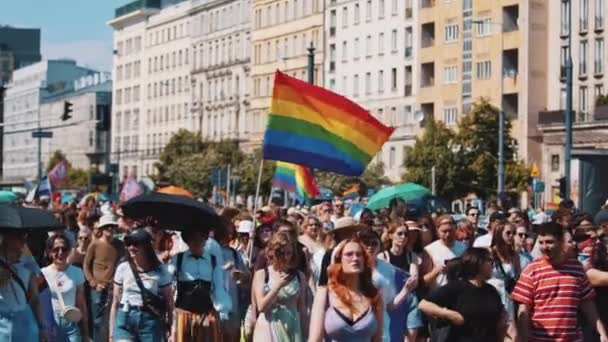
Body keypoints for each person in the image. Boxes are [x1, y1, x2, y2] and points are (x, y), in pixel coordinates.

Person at [511, 222, 608, 342]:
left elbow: (587, 303)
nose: (544, 247)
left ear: (561, 242)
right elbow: (523, 310)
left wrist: (601, 332)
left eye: (549, 242)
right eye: (541, 242)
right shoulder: (531, 270)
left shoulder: (576, 269)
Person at [418, 248, 506, 342]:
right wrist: (450, 314)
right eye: (490, 261)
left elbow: (499, 324)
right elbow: (423, 304)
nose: (493, 265)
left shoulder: (491, 291)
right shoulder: (456, 287)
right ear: (478, 262)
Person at [309, 238, 383, 342]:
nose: (355, 258)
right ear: (339, 260)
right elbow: (315, 339)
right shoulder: (325, 293)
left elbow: (378, 339)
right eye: (349, 254)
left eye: (359, 254)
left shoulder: (374, 294)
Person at [109, 229, 174, 342]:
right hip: (125, 316)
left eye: (136, 244)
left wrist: (172, 329)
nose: (131, 247)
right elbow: (115, 301)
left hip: (149, 320)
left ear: (146, 247)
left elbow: (169, 302)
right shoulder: (123, 268)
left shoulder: (160, 271)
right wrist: (111, 333)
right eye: (129, 244)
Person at [168, 229, 232, 341]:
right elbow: (167, 281)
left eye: (199, 239)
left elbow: (218, 286)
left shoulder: (213, 260)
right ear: (187, 241)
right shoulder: (178, 258)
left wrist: (223, 310)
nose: (196, 242)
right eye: (192, 239)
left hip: (207, 314)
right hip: (183, 314)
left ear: (205, 240)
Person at [252, 232, 307, 341]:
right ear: (273, 252)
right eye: (281, 253)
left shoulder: (299, 276)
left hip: (292, 325)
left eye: (289, 253)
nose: (286, 257)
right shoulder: (262, 274)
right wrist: (277, 287)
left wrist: (307, 334)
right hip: (268, 326)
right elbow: (261, 307)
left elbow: (302, 308)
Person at [83, 213, 123, 342]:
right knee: (97, 320)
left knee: (114, 318)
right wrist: (93, 283)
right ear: (101, 229)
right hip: (98, 288)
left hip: (114, 287)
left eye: (112, 226)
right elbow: (86, 266)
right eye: (107, 227)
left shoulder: (120, 245)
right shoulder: (94, 245)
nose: (110, 229)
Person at [42, 234, 89, 342]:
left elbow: (81, 304)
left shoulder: (77, 272)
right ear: (49, 252)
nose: (60, 253)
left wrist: (85, 334)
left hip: (71, 323)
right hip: (51, 325)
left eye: (64, 249)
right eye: (56, 249)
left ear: (68, 251)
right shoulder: (43, 274)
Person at [0, 231, 45, 342]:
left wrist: (42, 327)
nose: (23, 239)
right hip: (2, 324)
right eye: (18, 235)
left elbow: (35, 298)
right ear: (6, 238)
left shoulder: (28, 261)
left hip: (26, 322)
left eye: (24, 235)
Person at [488, 222, 520, 340]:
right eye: (508, 233)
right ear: (499, 234)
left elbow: (518, 277)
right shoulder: (489, 252)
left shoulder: (514, 255)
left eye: (513, 233)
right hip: (491, 294)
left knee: (512, 334)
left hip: (507, 297)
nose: (511, 236)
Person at [420, 214, 468, 289]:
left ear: (455, 229)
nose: (448, 234)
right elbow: (424, 280)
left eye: (450, 231)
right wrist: (436, 271)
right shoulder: (429, 250)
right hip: (438, 294)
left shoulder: (463, 248)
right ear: (437, 231)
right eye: (444, 231)